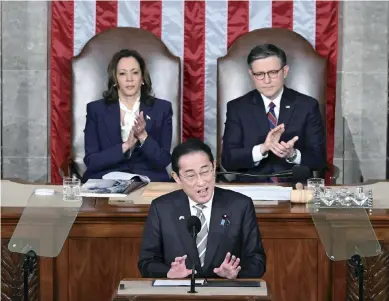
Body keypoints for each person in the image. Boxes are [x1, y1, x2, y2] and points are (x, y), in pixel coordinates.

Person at [138, 138, 266, 279]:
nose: (201, 182)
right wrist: (169, 273)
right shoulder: (161, 209)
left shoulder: (240, 205)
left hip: (224, 293)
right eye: (191, 175)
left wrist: (237, 273)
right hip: (178, 294)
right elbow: (146, 262)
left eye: (205, 172)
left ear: (214, 167)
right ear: (177, 178)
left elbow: (257, 261)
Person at [221, 44, 326, 183]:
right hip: (252, 192)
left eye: (273, 72)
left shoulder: (307, 106)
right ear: (251, 75)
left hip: (294, 190)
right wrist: (262, 149)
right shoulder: (237, 108)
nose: (267, 80)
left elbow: (319, 159)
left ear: (285, 71)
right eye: (259, 74)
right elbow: (228, 160)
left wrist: (293, 154)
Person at [82, 49, 173, 182]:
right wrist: (126, 145)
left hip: (149, 180)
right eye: (123, 74)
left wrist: (143, 137)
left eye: (135, 73)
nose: (129, 79)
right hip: (106, 178)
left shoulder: (162, 109)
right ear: (115, 79)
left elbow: (163, 160)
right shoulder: (96, 110)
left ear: (142, 78)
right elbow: (91, 161)